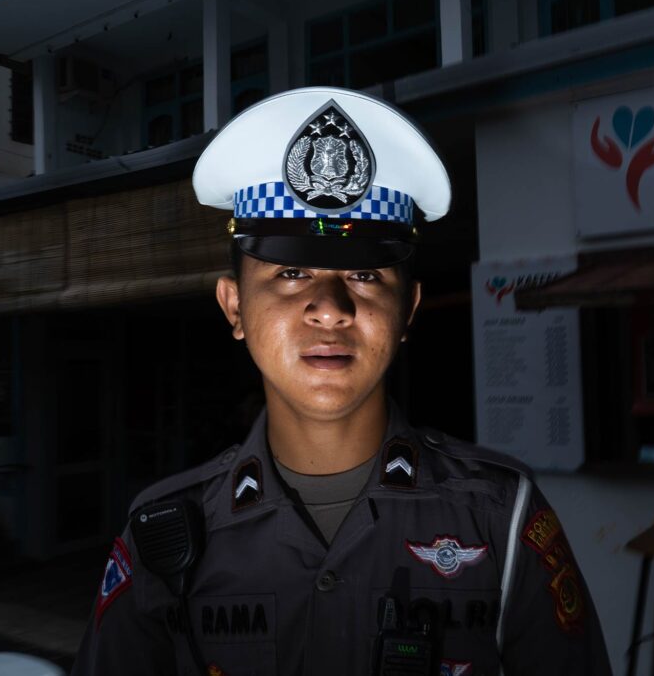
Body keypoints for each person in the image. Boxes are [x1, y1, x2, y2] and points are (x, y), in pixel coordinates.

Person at [70, 86, 611, 676]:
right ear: (234, 308)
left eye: (365, 273)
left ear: (408, 309)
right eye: (292, 271)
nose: (329, 308)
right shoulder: (163, 535)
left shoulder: (500, 519)